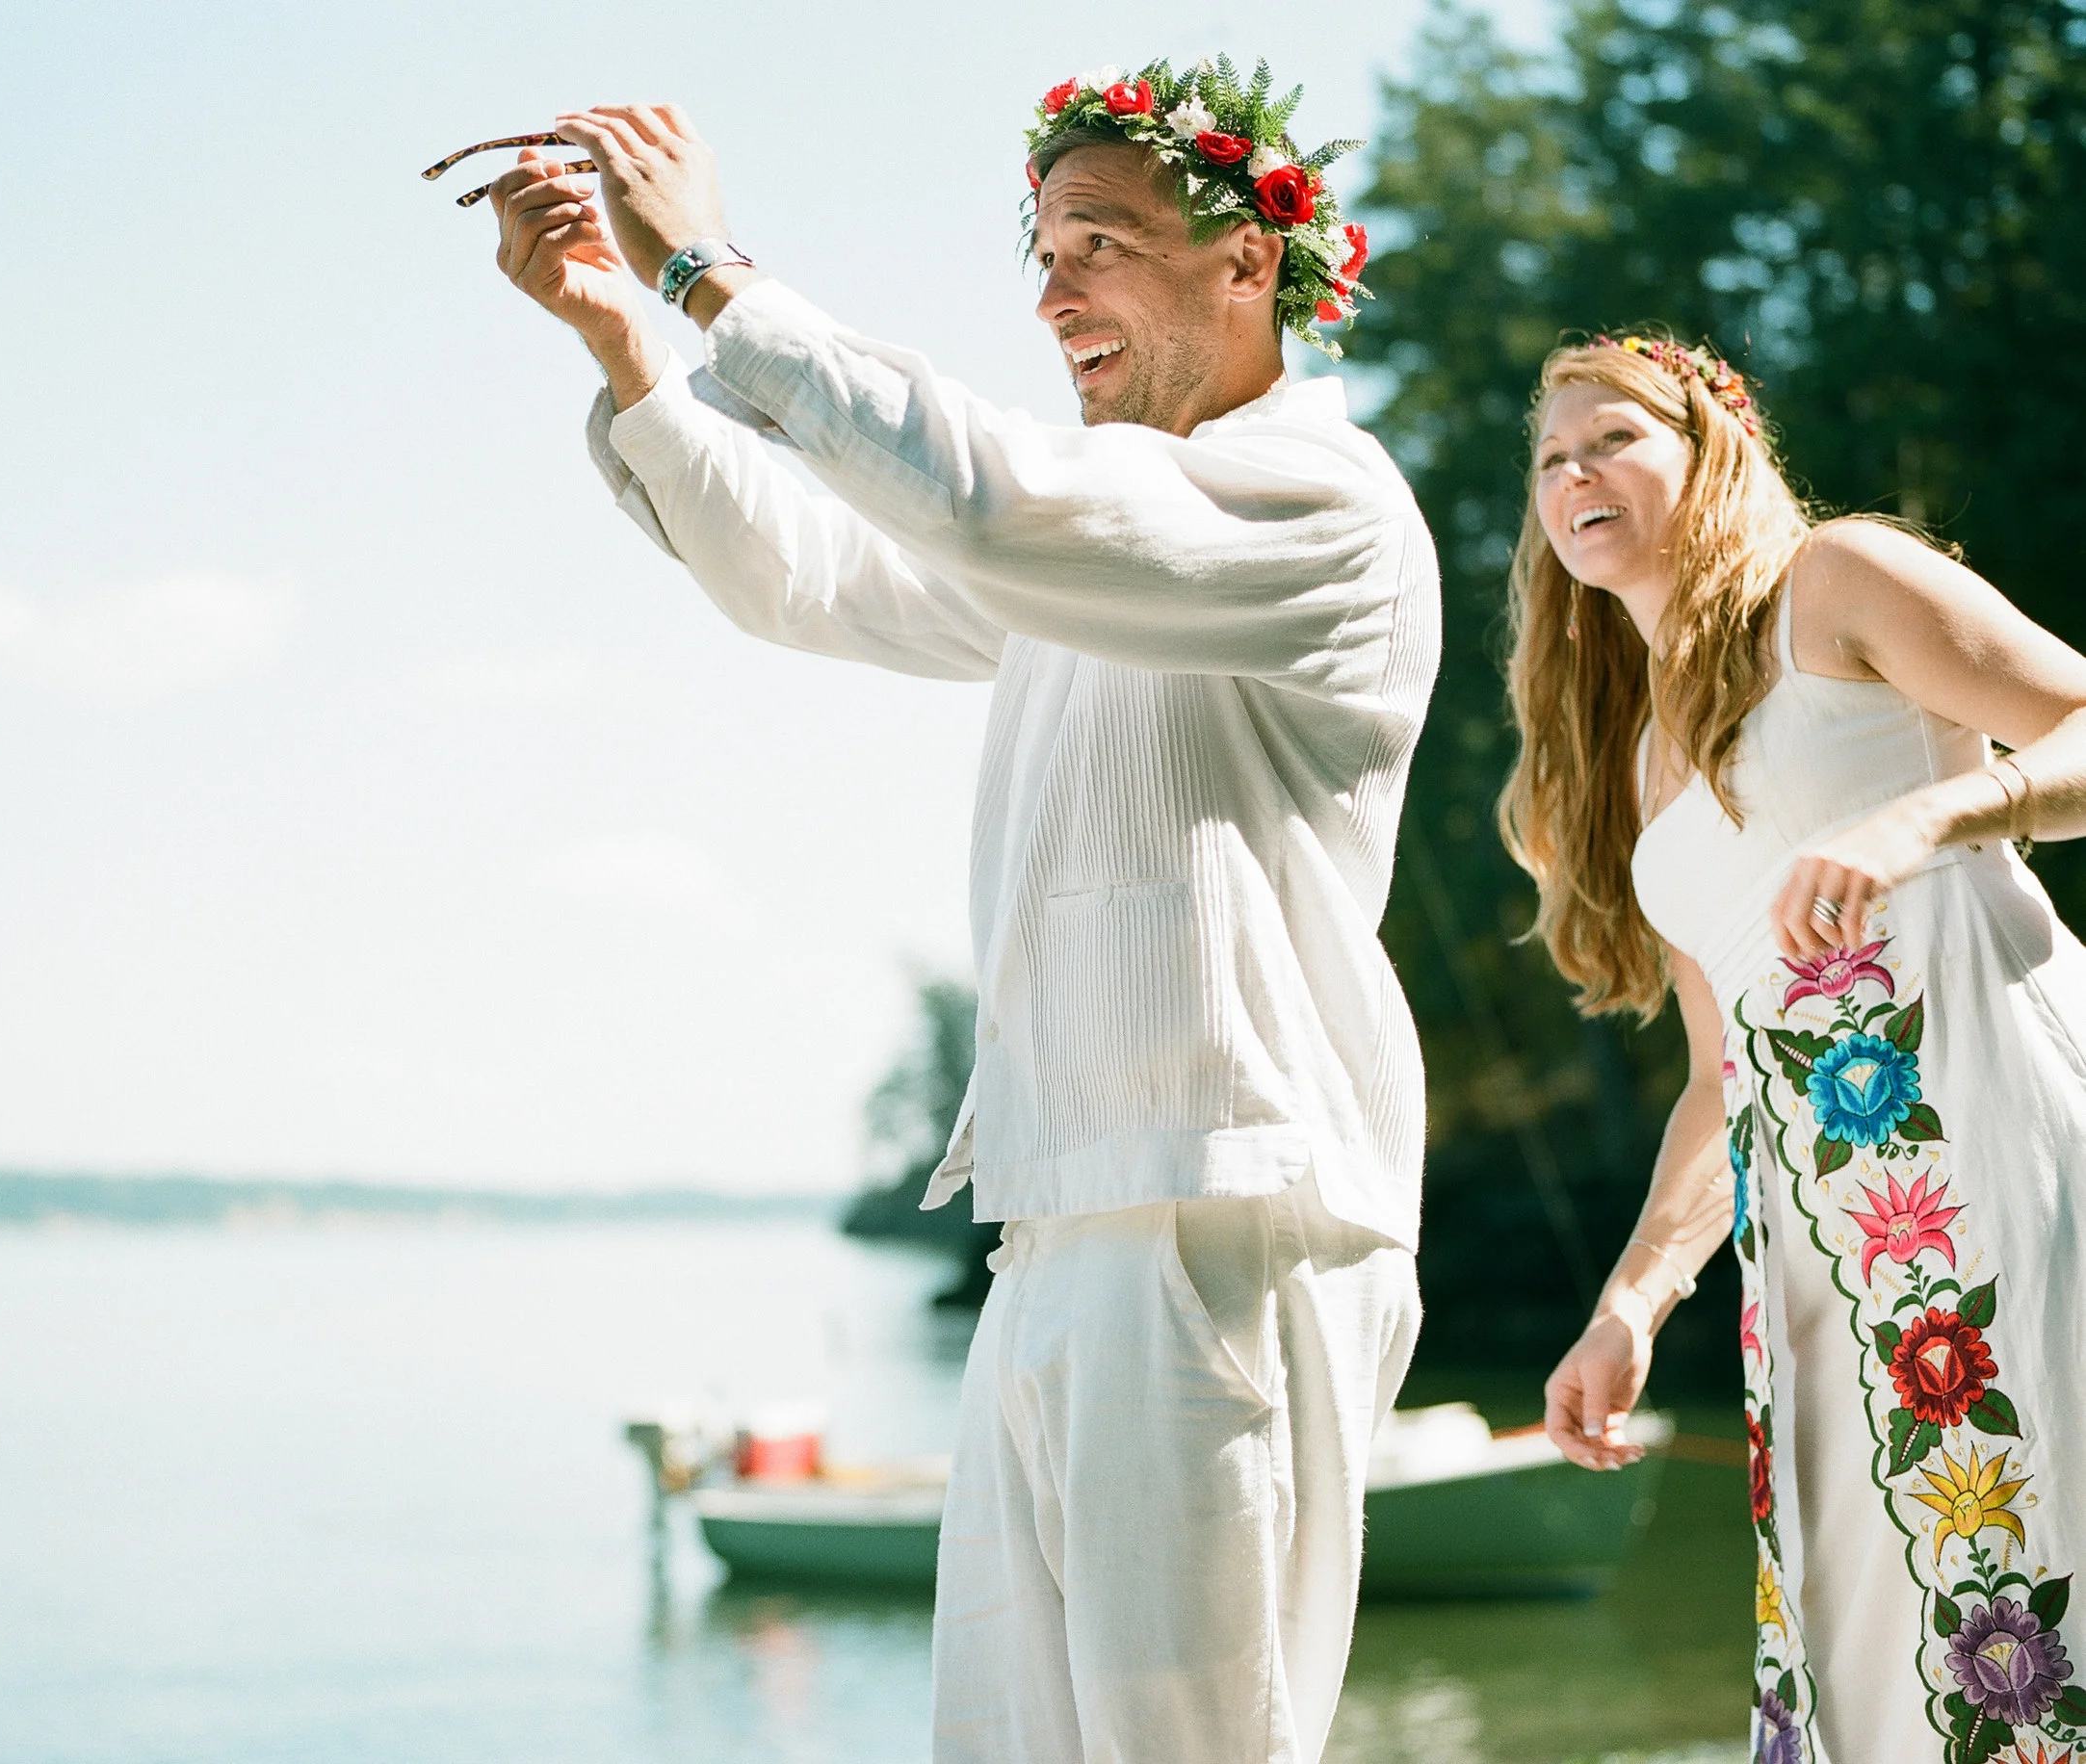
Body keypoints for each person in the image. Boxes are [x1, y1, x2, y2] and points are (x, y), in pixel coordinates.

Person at [481, 59, 1438, 1764]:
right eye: (1043, 246)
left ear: (1250, 265)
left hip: (1230, 1204)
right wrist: (627, 341)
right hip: (1059, 1220)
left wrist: (713, 270)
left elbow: (995, 499)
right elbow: (822, 574)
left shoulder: (1321, 501)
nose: (1054, 286)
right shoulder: (1094, 558)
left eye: (1104, 239)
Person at [1508, 333, 2086, 1760]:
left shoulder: (1835, 584)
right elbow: (1722, 1077)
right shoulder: (1650, 763)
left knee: (2041, 1557)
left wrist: (1928, 819)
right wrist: (1634, 1303)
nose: (1576, 471)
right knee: (1881, 1628)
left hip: (1992, 1152)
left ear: (1710, 452)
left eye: (1613, 438)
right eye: (1551, 458)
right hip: (1828, 1258)